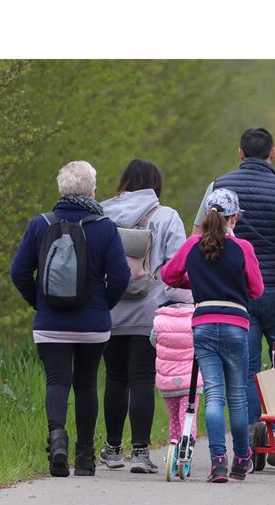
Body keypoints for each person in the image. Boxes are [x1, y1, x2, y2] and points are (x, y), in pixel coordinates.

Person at [193, 127, 275, 467]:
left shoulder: (217, 188)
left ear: (240, 154)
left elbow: (197, 235)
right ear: (273, 153)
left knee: (248, 371)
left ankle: (256, 436)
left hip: (234, 294)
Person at [10, 160, 129, 477]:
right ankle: (86, 457)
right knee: (87, 384)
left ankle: (57, 441)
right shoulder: (105, 227)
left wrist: (39, 301)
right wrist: (103, 305)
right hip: (93, 325)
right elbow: (120, 276)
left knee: (57, 381)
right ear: (92, 190)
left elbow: (18, 272)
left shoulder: (40, 225)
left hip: (50, 324)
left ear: (61, 190)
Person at [164, 189, 264, 483]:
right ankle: (242, 460)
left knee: (215, 397)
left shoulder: (193, 245)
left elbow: (169, 276)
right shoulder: (243, 247)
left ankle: (218, 463)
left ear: (206, 216)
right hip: (236, 324)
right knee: (237, 396)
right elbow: (256, 289)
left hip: (204, 324)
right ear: (235, 217)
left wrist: (193, 278)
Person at [99, 159, 187, 473]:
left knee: (114, 378)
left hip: (110, 311)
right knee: (142, 379)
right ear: (154, 185)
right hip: (151, 311)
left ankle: (111, 449)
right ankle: (139, 452)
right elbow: (178, 268)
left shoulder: (102, 215)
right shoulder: (166, 217)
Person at [149, 285, 201, 446]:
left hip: (167, 381)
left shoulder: (159, 320)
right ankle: (187, 444)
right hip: (190, 381)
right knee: (187, 416)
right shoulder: (195, 318)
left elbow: (153, 341)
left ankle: (173, 441)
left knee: (173, 418)